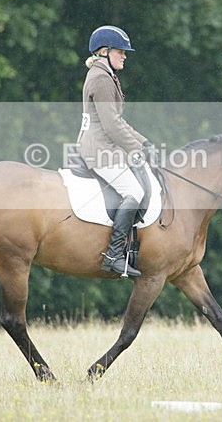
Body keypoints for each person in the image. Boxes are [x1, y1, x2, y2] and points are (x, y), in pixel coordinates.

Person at [78, 25, 156, 277]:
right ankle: (113, 255)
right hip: (100, 150)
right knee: (134, 190)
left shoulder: (105, 74)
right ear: (105, 51)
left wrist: (143, 142)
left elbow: (118, 121)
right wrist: (136, 148)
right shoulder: (101, 79)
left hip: (105, 146)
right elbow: (111, 125)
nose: (125, 56)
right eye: (121, 51)